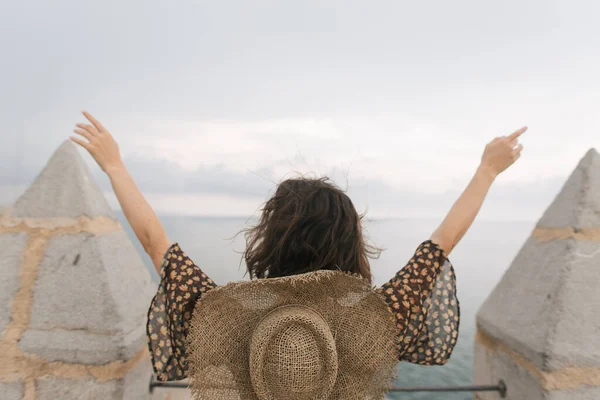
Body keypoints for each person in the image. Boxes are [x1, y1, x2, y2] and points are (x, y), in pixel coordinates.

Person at [71, 111, 525, 396]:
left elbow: (155, 242)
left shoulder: (215, 316)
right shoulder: (382, 318)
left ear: (271, 241)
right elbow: (441, 243)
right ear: (349, 245)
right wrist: (487, 170)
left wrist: (114, 165)